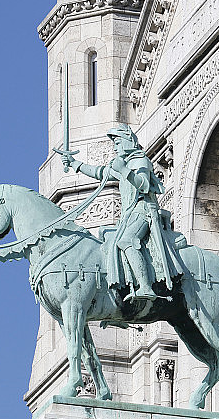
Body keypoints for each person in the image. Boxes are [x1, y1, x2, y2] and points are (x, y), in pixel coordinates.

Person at [61, 124, 183, 302]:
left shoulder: (140, 160)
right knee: (108, 238)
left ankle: (146, 287)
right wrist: (75, 164)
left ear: (128, 142)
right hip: (129, 215)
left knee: (127, 240)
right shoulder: (123, 164)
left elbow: (144, 184)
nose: (115, 147)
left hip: (144, 211)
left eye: (117, 142)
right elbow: (100, 173)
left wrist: (123, 170)